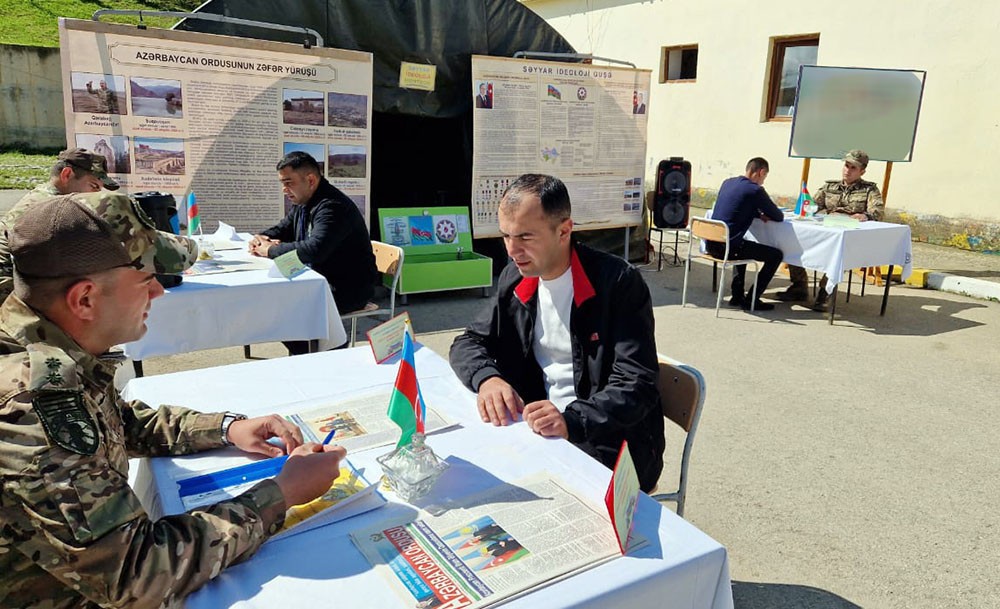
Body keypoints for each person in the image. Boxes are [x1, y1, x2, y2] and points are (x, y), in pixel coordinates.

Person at [0, 191, 348, 607]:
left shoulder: (51, 349)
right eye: (147, 281)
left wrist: (227, 428)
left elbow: (119, 423)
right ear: (85, 299)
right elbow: (139, 574)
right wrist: (282, 493)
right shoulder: (31, 408)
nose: (159, 295)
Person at [449, 174, 664, 492]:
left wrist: (572, 420)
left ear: (564, 230)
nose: (512, 250)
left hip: (607, 442)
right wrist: (488, 379)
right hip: (536, 429)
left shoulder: (617, 283)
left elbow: (637, 383)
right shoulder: (517, 277)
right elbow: (468, 342)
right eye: (506, 236)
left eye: (525, 236)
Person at [249, 151, 376, 355]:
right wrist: (260, 238)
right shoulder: (304, 201)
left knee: (282, 310)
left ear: (310, 179)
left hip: (348, 288)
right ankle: (308, 353)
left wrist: (271, 250)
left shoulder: (332, 207)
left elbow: (315, 250)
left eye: (288, 182)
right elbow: (283, 228)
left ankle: (317, 355)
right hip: (317, 280)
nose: (284, 189)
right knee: (270, 302)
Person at [0, 148, 120, 303]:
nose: (95, 195)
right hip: (8, 287)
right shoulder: (52, 207)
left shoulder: (44, 194)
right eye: (93, 186)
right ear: (66, 175)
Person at [775, 149, 884, 310]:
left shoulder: (869, 190)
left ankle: (825, 292)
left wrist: (865, 215)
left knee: (838, 252)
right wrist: (807, 209)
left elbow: (878, 211)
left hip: (848, 234)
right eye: (846, 165)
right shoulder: (829, 186)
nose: (847, 170)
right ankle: (799, 286)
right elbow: (812, 206)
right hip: (826, 229)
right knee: (793, 239)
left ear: (862, 171)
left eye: (853, 167)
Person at [706, 157, 785, 311]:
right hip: (728, 248)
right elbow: (778, 216)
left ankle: (737, 296)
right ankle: (752, 299)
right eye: (765, 177)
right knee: (776, 256)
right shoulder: (755, 190)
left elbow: (737, 206)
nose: (763, 182)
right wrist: (761, 213)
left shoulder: (728, 182)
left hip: (712, 243)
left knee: (740, 243)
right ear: (761, 172)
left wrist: (756, 213)